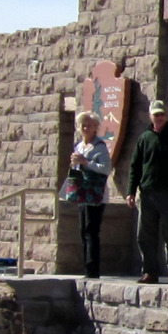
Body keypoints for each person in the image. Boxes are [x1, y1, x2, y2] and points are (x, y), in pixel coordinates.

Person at [128, 100, 168, 283]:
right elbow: (135, 167)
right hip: (147, 193)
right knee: (145, 235)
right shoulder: (144, 139)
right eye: (156, 114)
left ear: (166, 116)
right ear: (150, 116)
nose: (159, 117)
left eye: (161, 114)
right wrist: (131, 191)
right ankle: (150, 271)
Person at [62, 113, 112, 277]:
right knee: (83, 231)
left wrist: (85, 162)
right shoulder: (79, 146)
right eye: (83, 125)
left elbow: (106, 168)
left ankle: (93, 270)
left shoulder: (99, 147)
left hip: (96, 195)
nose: (86, 128)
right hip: (82, 193)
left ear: (95, 127)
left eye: (89, 125)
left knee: (92, 231)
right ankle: (86, 267)